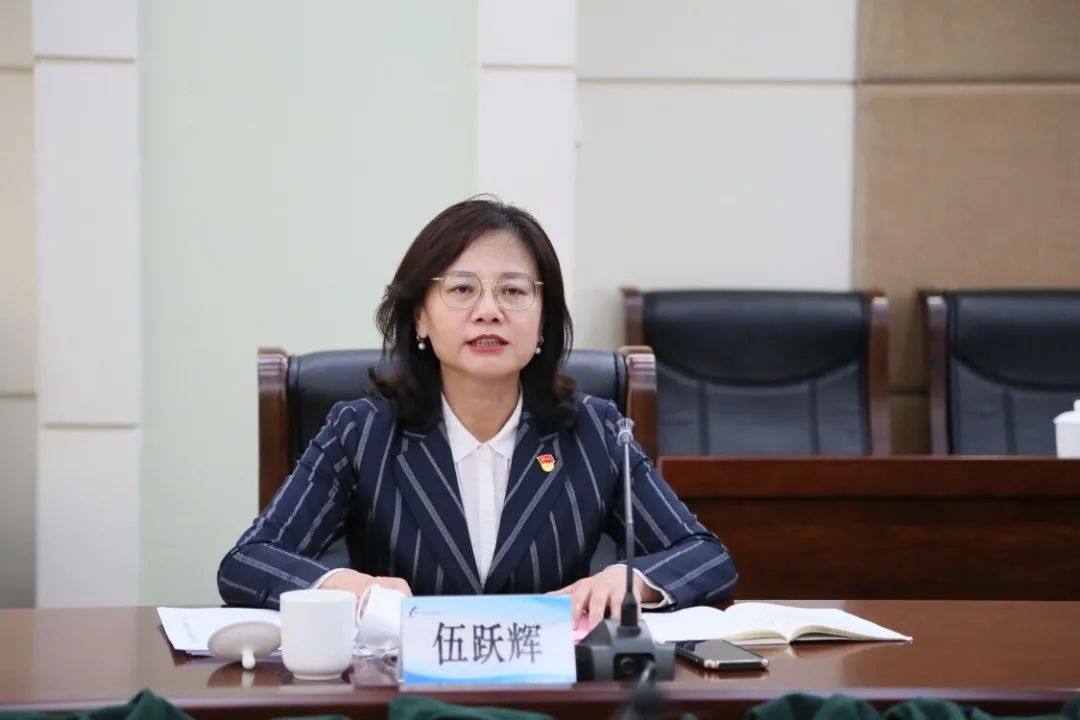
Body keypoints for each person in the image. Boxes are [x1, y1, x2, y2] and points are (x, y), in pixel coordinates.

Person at [217, 197, 736, 629]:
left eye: (513, 291)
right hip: (401, 692)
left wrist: (631, 580)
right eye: (462, 289)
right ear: (420, 318)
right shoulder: (361, 432)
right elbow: (248, 561)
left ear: (543, 322)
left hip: (554, 694)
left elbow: (705, 556)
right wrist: (345, 585)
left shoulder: (593, 432)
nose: (489, 311)